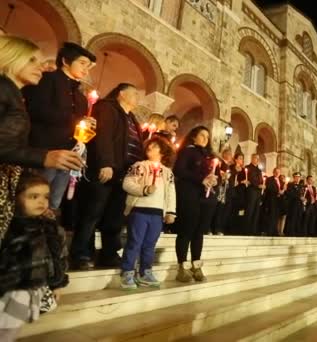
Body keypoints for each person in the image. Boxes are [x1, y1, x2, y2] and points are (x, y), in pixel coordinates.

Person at [0, 36, 83, 239]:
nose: (42, 66)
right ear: (11, 58)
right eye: (32, 60)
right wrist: (44, 157)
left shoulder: (13, 94)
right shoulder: (3, 90)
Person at [70, 83, 145, 270]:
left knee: (114, 217)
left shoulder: (131, 118)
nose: (138, 97)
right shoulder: (106, 108)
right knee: (92, 213)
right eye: (134, 93)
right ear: (121, 93)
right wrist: (106, 163)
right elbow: (103, 136)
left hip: (123, 175)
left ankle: (109, 254)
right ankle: (80, 253)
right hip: (106, 169)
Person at [22, 42, 96, 215]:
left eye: (89, 66)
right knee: (33, 199)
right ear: (65, 61)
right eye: (83, 63)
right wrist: (75, 119)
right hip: (44, 151)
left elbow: (78, 125)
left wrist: (86, 127)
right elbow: (36, 110)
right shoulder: (47, 79)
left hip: (68, 155)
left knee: (53, 203)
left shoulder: (81, 96)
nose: (86, 69)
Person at [0, 172, 69, 341]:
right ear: (15, 198)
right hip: (7, 289)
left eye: (46, 196)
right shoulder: (7, 225)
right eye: (33, 196)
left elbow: (58, 257)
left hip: (28, 290)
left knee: (10, 329)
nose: (42, 201)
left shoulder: (51, 228)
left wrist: (57, 284)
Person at [120, 137, 176, 289]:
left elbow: (171, 192)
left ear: (163, 151)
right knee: (134, 242)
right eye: (149, 145)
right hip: (140, 210)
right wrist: (143, 190)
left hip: (157, 213)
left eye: (155, 145)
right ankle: (127, 272)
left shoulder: (167, 172)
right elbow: (127, 183)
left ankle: (145, 272)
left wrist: (170, 212)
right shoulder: (139, 166)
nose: (150, 147)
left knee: (150, 245)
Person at [173, 126, 218, 283]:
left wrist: (213, 180)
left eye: (207, 136)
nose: (206, 138)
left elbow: (207, 176)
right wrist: (201, 179)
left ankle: (196, 265)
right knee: (186, 230)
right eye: (202, 135)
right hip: (189, 195)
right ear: (193, 137)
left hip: (203, 199)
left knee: (199, 232)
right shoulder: (187, 151)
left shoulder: (207, 156)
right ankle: (182, 267)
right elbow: (179, 170)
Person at [244, 154, 263, 235]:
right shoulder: (248, 167)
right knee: (250, 209)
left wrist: (262, 184)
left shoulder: (259, 170)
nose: (257, 160)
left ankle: (253, 229)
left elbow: (261, 180)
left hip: (258, 192)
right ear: (252, 158)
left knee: (256, 210)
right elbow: (250, 178)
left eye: (258, 158)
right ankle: (247, 229)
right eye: (256, 158)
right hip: (251, 190)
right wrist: (258, 185)